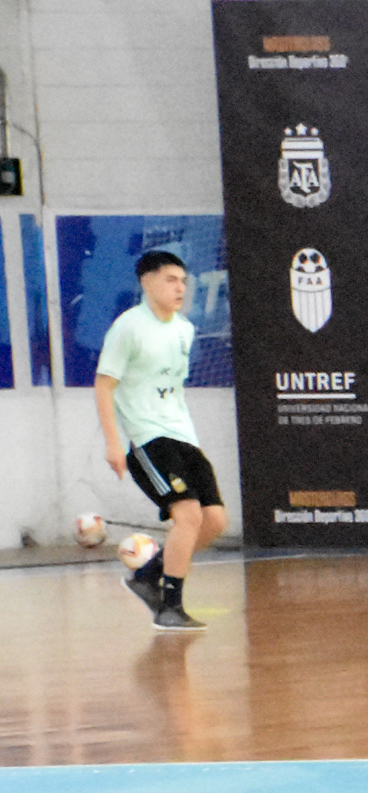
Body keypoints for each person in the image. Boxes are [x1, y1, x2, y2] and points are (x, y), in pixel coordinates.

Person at [94, 248, 219, 632]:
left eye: (183, 280)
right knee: (188, 516)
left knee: (213, 521)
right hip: (149, 439)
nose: (180, 287)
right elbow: (104, 384)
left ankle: (146, 575)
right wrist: (114, 442)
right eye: (170, 279)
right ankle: (170, 606)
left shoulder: (185, 329)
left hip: (182, 435)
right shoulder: (128, 327)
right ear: (147, 283)